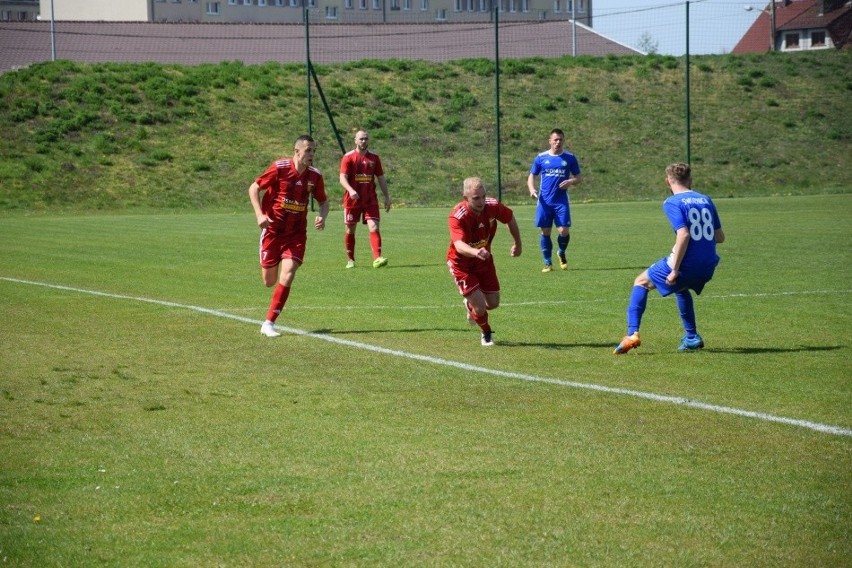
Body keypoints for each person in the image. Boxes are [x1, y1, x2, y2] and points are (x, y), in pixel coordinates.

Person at [614, 162, 725, 354]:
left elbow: (683, 234)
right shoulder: (705, 199)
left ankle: (632, 334)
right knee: (681, 288)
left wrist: (674, 269)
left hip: (686, 264)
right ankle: (691, 337)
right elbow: (720, 237)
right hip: (709, 264)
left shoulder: (672, 202)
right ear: (690, 180)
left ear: (667, 181)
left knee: (640, 282)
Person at [248, 134, 329, 338]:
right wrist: (260, 214)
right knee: (269, 280)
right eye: (308, 150)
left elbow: (324, 201)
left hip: (296, 234)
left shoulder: (315, 176)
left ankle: (269, 323)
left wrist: (322, 216)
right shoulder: (280, 168)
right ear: (297, 151)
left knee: (289, 272)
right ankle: (272, 305)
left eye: (314, 151)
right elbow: (254, 188)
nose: (311, 154)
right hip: (273, 231)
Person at [447, 177, 522, 347]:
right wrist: (475, 251)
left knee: (493, 303)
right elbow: (458, 245)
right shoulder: (457, 216)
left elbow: (509, 217)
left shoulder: (492, 206)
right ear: (465, 198)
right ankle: (486, 333)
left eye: (483, 196)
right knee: (480, 307)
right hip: (461, 264)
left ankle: (470, 305)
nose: (481, 201)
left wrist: (517, 243)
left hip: (484, 261)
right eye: (476, 198)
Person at [527, 128, 582, 272]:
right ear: (550, 141)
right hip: (545, 202)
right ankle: (547, 263)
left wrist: (571, 181)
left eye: (561, 140)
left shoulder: (569, 158)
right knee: (545, 232)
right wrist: (532, 189)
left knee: (563, 230)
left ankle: (561, 252)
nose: (558, 142)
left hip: (561, 201)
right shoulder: (541, 157)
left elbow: (579, 177)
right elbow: (532, 175)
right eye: (555, 139)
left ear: (563, 141)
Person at [339, 129, 391, 269]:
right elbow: (342, 178)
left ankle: (377, 258)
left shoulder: (374, 158)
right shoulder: (348, 157)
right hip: (352, 200)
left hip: (370, 199)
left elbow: (380, 178)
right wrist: (350, 190)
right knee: (350, 230)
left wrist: (386, 197)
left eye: (366, 138)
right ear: (355, 140)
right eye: (361, 139)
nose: (364, 141)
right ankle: (350, 260)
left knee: (374, 226)